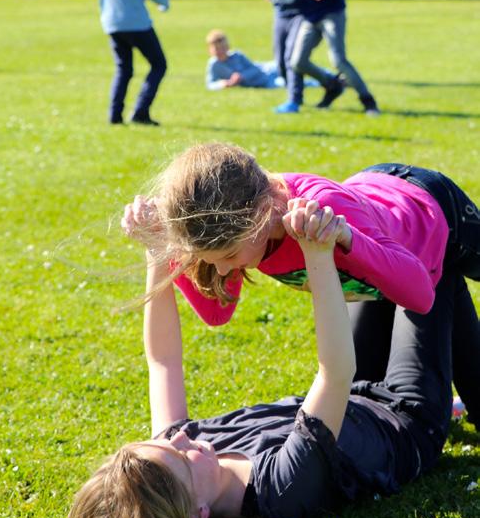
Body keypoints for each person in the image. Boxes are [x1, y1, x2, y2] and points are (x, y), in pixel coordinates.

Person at [68, 199, 479, 518]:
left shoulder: (181, 453)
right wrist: (318, 256)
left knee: (387, 267)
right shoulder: (281, 489)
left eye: (162, 441)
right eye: (180, 455)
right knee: (432, 267)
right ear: (198, 514)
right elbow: (334, 374)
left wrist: (156, 251)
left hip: (356, 394)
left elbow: (163, 362)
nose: (179, 437)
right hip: (404, 419)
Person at [121, 142, 480, 434]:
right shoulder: (235, 228)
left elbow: (420, 294)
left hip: (427, 207)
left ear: (263, 213)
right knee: (363, 395)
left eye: (228, 255)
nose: (222, 268)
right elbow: (217, 312)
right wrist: (159, 244)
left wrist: (346, 238)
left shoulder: (320, 211)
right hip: (376, 268)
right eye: (211, 258)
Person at [205, 29, 284, 90]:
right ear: (210, 50)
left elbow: (255, 69)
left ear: (228, 47)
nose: (220, 51)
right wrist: (222, 84)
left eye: (222, 48)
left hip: (267, 72)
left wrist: (241, 76)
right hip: (264, 82)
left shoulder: (237, 56)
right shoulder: (214, 64)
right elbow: (210, 84)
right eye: (216, 49)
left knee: (287, 67)